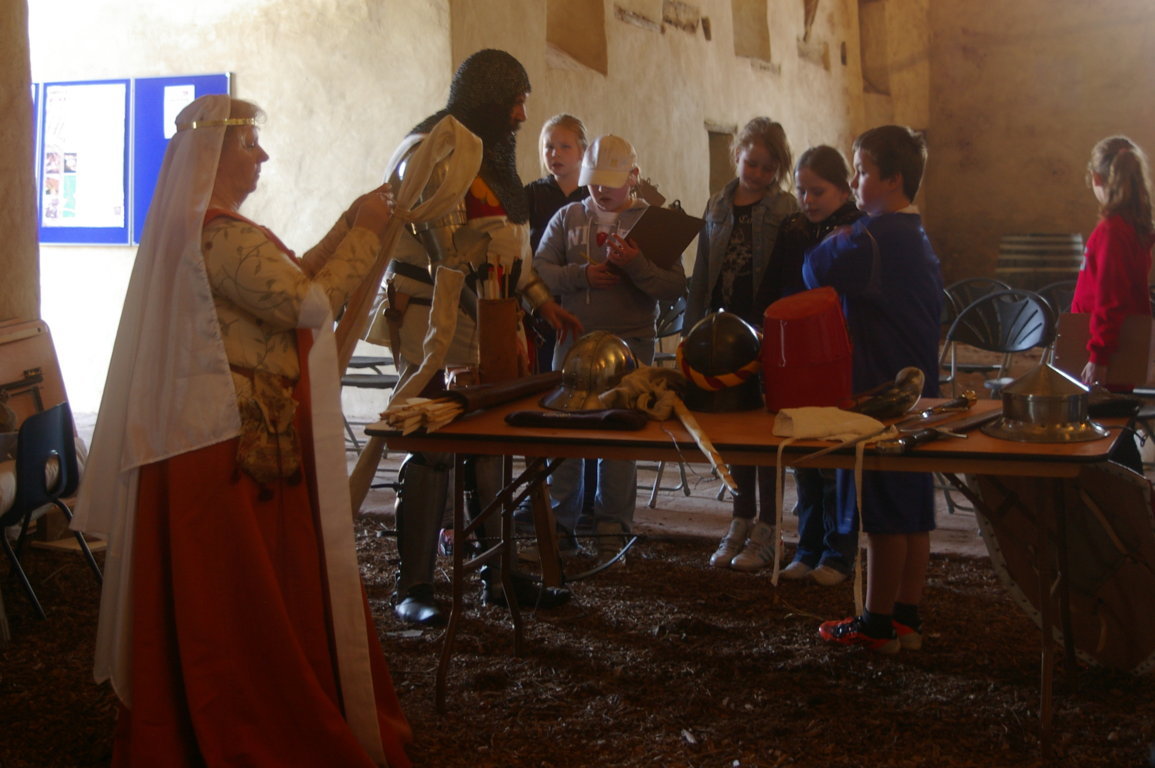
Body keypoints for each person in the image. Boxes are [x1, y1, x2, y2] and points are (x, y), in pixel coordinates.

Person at [70, 94, 412, 766]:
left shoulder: (215, 229)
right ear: (214, 154)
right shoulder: (221, 233)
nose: (262, 155)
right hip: (224, 441)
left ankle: (231, 700)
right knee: (235, 595)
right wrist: (369, 235)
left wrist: (351, 220)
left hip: (227, 434)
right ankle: (244, 712)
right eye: (249, 144)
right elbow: (307, 301)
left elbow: (295, 276)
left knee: (241, 589)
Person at [378, 50, 582, 627]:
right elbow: (444, 251)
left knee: (494, 440)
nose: (521, 114)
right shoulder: (435, 149)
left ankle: (499, 574)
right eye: (514, 100)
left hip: (493, 318)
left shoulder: (492, 158)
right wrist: (489, 310)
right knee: (433, 440)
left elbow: (508, 249)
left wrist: (538, 304)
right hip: (435, 319)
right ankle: (413, 582)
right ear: (487, 97)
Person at [803, 125, 943, 654]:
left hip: (879, 389)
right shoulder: (915, 234)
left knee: (883, 511)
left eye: (861, 171)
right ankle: (906, 617)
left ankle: (876, 624)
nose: (856, 180)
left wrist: (845, 230)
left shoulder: (873, 237)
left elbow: (814, 267)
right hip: (916, 387)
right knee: (912, 507)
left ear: (893, 179)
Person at [534, 134, 688, 563]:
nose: (600, 190)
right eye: (593, 181)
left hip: (629, 341)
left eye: (610, 182)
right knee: (564, 436)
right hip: (574, 339)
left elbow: (675, 286)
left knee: (618, 440)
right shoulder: (567, 218)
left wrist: (635, 265)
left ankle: (612, 532)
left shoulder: (652, 224)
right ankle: (559, 529)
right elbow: (541, 270)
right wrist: (582, 274)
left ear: (632, 178)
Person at [686, 117, 798, 571]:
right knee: (732, 429)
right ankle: (740, 517)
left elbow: (790, 275)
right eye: (752, 164)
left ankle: (769, 527)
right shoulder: (716, 204)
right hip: (720, 334)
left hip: (764, 331)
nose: (758, 175)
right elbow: (702, 273)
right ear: (737, 155)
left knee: (766, 431)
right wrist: (692, 334)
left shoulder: (786, 208)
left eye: (768, 168)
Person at [758, 145, 864, 585]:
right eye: (802, 191)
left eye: (818, 191)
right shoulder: (794, 228)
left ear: (843, 190)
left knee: (836, 456)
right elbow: (778, 288)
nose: (808, 200)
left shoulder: (858, 231)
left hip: (839, 352)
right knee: (803, 452)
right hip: (797, 354)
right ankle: (807, 545)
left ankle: (840, 552)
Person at [1071, 136, 1154, 388]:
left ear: (1096, 178)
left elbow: (1111, 298)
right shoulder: (1132, 226)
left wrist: (1099, 355)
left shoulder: (1112, 230)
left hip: (1104, 349)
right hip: (1116, 341)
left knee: (1102, 423)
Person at [524, 114, 591, 372]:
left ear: (582, 152)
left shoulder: (592, 195)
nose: (556, 154)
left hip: (583, 299)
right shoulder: (532, 194)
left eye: (565, 147)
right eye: (549, 147)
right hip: (542, 299)